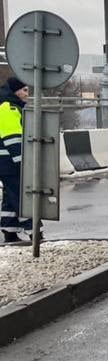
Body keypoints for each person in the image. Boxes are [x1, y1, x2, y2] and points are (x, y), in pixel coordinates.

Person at [0, 77, 32, 242]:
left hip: (5, 162)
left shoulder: (11, 106)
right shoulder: (9, 107)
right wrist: (23, 163)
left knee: (11, 194)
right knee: (23, 195)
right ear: (15, 91)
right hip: (10, 161)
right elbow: (13, 138)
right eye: (24, 90)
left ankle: (9, 230)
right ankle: (33, 230)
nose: (27, 94)